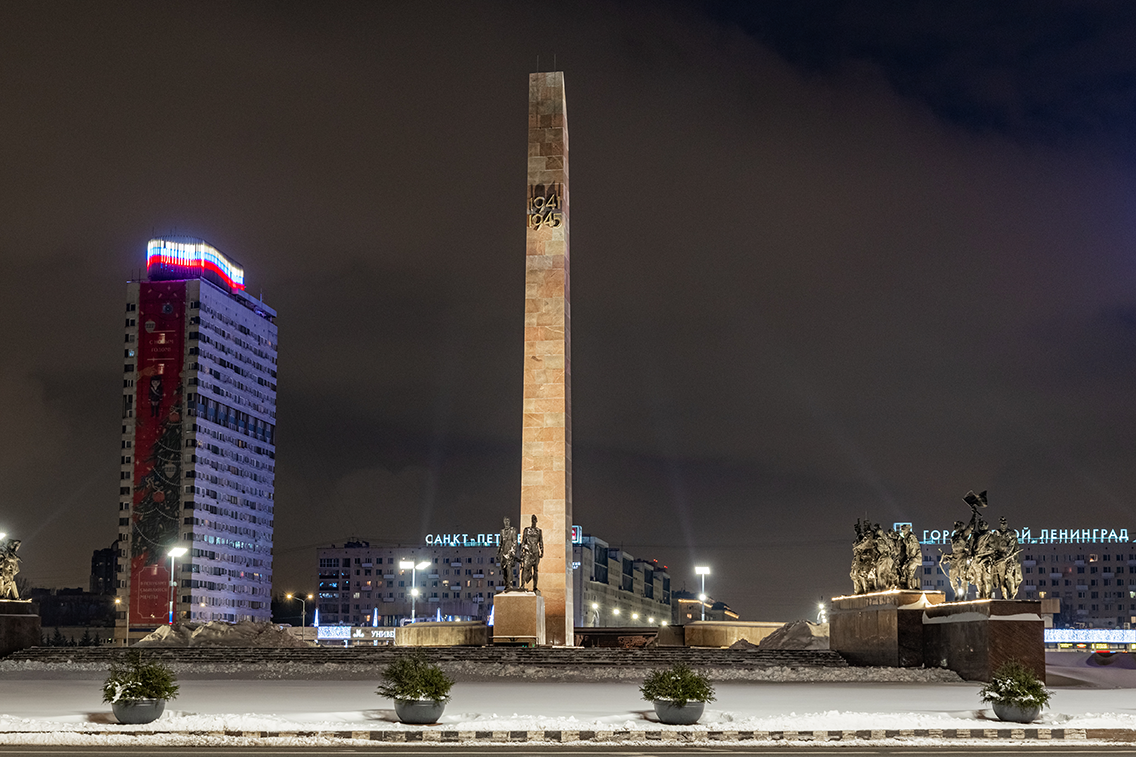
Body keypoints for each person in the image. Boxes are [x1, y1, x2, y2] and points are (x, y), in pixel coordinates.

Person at [520, 514, 544, 592]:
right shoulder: (526, 530)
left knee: (535, 570)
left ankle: (535, 587)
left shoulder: (539, 531)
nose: (533, 521)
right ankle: (522, 585)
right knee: (525, 568)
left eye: (534, 520)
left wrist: (542, 551)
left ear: (536, 521)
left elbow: (540, 542)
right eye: (532, 519)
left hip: (535, 552)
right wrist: (521, 551)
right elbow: (523, 541)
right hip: (528, 552)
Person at [496, 517, 518, 592]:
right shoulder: (502, 532)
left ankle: (510, 585)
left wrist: (513, 551)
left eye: (508, 521)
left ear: (510, 521)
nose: (507, 522)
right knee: (504, 570)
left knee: (509, 569)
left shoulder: (513, 531)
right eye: (505, 521)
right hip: (503, 553)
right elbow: (500, 543)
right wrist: (498, 552)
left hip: (510, 553)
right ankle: (506, 585)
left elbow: (515, 542)